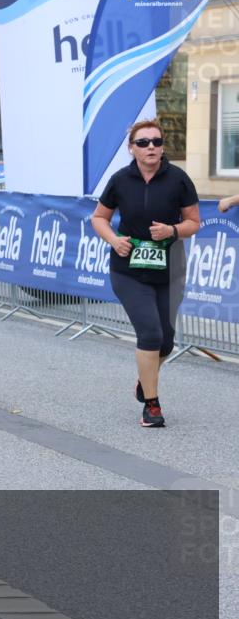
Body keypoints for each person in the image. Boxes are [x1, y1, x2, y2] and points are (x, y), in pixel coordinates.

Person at [91, 119, 200, 428]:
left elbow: (194, 222)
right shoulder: (120, 180)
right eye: (143, 142)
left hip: (170, 270)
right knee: (150, 333)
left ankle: (145, 378)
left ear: (162, 147)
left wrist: (172, 230)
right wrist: (114, 240)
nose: (150, 146)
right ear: (132, 149)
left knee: (166, 341)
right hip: (129, 269)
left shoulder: (179, 179)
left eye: (156, 141)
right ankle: (152, 405)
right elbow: (98, 218)